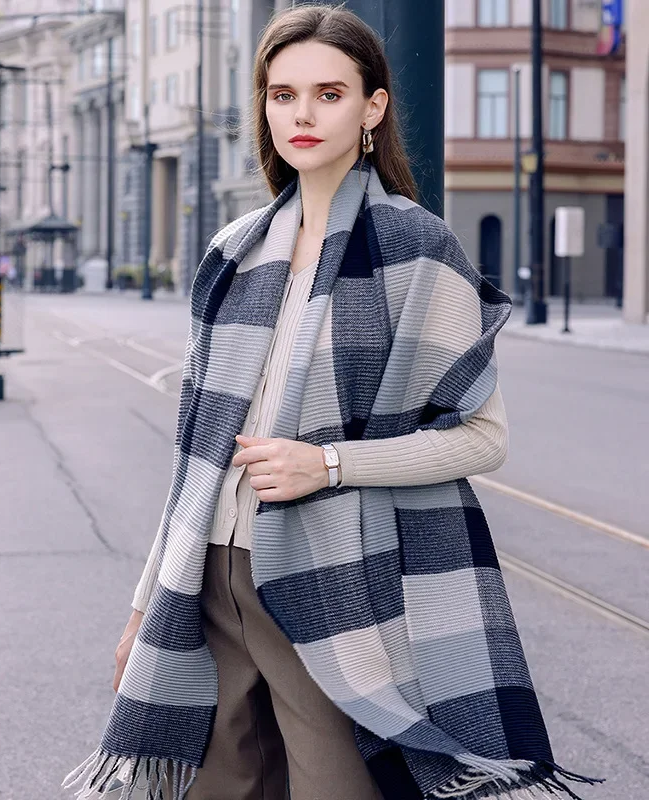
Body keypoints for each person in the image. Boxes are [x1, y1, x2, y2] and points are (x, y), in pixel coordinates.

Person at [64, 6, 601, 800]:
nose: (303, 115)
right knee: (223, 789)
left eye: (328, 93)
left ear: (372, 108)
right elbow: (197, 456)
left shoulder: (416, 248)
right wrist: (146, 605)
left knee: (336, 787)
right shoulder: (237, 249)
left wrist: (330, 464)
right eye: (283, 96)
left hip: (329, 574)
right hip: (210, 577)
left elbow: (483, 439)